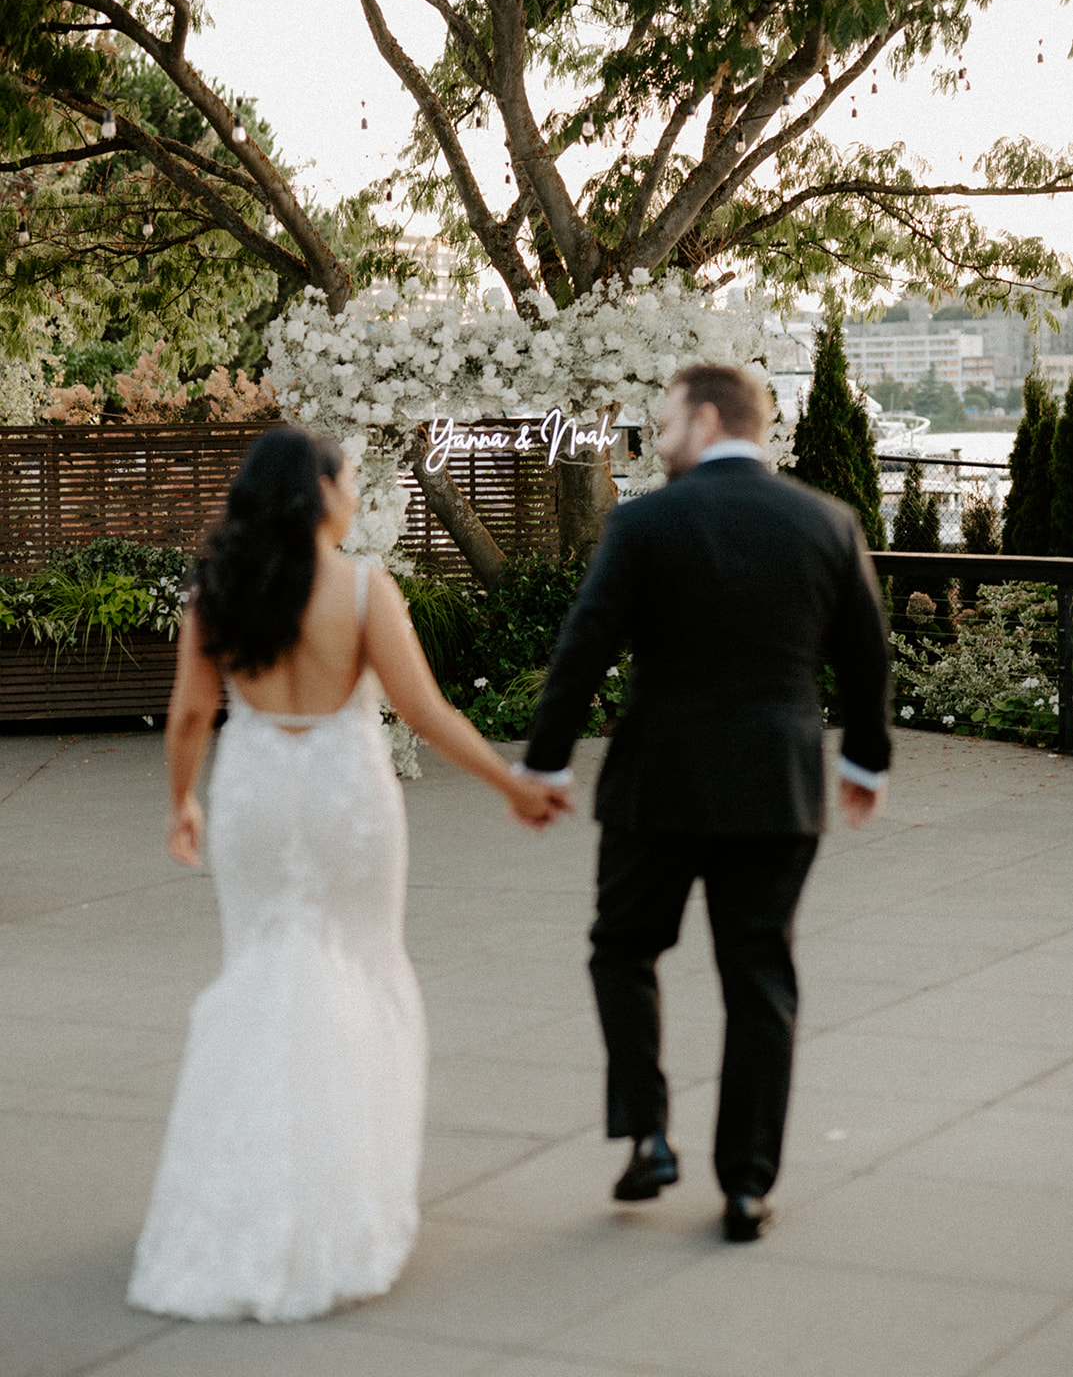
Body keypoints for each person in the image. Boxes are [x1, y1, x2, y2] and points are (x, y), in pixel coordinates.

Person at [127, 426, 567, 1322]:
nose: (359, 489)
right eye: (351, 475)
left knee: (263, 972)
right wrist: (508, 784)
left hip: (253, 794)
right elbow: (424, 710)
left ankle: (243, 1200)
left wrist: (183, 803)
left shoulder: (215, 591)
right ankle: (341, 1198)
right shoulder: (365, 589)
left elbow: (187, 717)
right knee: (360, 976)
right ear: (318, 490)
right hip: (345, 801)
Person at [522, 364, 891, 1242]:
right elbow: (867, 656)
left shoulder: (645, 521)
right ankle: (746, 1189)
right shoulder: (827, 523)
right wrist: (866, 764)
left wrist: (545, 764)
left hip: (659, 782)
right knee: (759, 979)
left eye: (664, 420)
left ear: (705, 414)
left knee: (621, 950)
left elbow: (584, 647)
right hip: (777, 785)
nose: (657, 436)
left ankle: (648, 1134)